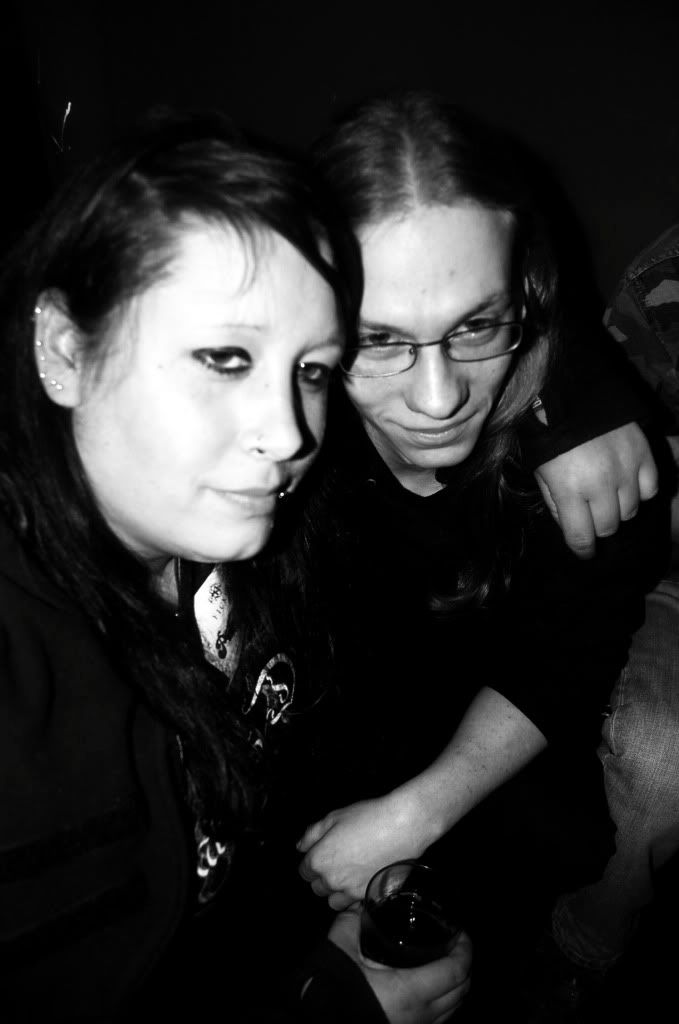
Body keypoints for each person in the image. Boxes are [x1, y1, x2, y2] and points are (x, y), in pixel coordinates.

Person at [0, 107, 472, 1023]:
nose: (288, 433)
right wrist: (331, 1005)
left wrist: (576, 407)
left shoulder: (259, 537)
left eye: (312, 371)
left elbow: (455, 285)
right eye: (224, 358)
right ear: (63, 351)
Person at [289, 90, 671, 1012]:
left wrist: (412, 816)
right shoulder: (273, 436)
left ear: (523, 298)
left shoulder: (583, 460)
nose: (437, 398)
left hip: (495, 787)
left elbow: (567, 657)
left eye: (474, 326)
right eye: (378, 340)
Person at [536, 222, 679, 1017]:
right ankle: (580, 951)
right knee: (660, 762)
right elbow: (629, 487)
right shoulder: (666, 281)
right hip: (670, 571)